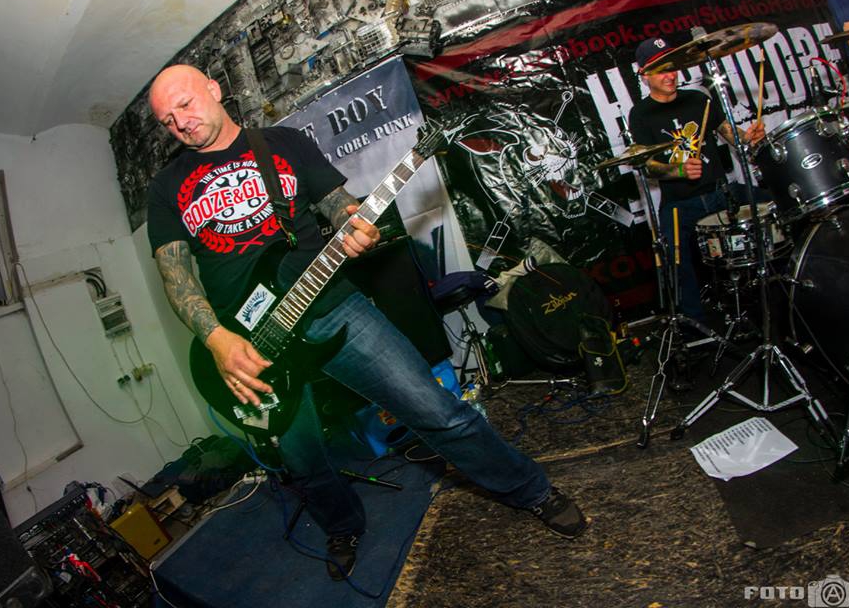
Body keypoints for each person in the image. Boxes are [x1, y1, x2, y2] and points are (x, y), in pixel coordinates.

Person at [145, 65, 587, 581]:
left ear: (214, 89)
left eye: (185, 104)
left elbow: (339, 205)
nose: (180, 122)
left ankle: (531, 490)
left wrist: (353, 224)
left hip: (329, 303)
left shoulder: (283, 144)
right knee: (302, 460)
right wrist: (216, 338)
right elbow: (176, 275)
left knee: (435, 409)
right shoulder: (166, 185)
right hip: (248, 343)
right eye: (167, 120)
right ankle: (343, 526)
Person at [628, 38, 766, 323]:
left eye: (672, 67)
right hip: (679, 205)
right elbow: (648, 166)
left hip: (720, 193)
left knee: (773, 202)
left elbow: (731, 135)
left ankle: (775, 292)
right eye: (661, 70)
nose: (670, 75)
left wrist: (749, 138)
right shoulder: (640, 114)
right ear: (644, 75)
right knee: (672, 257)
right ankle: (696, 327)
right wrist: (678, 171)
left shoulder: (698, 99)